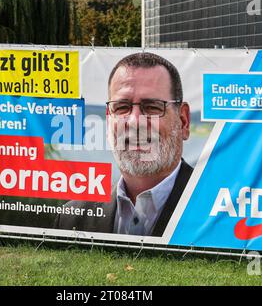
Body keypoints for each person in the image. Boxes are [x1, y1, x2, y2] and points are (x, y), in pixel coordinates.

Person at [54, 52, 193, 236]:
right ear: (108, 119)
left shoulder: (219, 211)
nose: (135, 121)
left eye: (152, 107)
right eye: (121, 108)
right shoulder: (71, 219)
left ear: (183, 121)